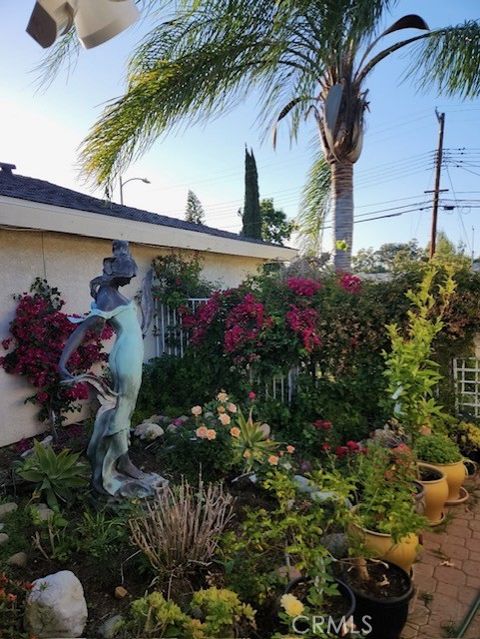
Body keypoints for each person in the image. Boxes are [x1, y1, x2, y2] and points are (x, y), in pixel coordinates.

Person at [59, 240, 164, 497]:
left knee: (125, 408)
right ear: (115, 272)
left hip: (129, 353)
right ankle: (123, 463)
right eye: (127, 273)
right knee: (123, 408)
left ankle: (121, 459)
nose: (130, 278)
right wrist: (62, 362)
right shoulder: (106, 296)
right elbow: (84, 328)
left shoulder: (111, 293)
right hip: (125, 357)